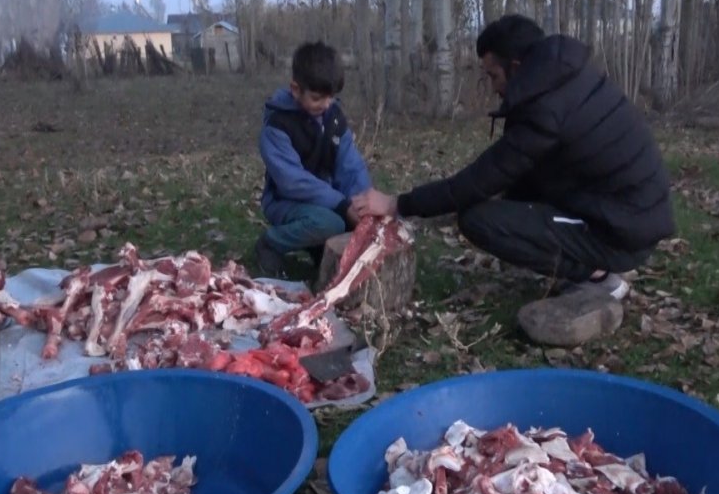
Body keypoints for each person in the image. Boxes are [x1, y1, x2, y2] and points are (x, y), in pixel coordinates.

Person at [353, 15, 675, 302]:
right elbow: (517, 176)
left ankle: (600, 276)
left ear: (516, 67)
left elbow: (482, 178)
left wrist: (396, 204)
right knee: (507, 199)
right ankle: (592, 262)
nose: (493, 87)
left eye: (493, 76)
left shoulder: (545, 109)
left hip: (623, 231)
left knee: (479, 221)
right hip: (631, 215)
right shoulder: (565, 82)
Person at [255, 41, 375, 279]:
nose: (326, 104)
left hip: (326, 200)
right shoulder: (277, 126)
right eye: (318, 98)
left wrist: (363, 204)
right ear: (295, 89)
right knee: (331, 223)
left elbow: (350, 165)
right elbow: (293, 182)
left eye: (331, 97)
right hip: (284, 201)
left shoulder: (333, 117)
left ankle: (320, 252)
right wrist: (342, 206)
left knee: (362, 223)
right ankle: (270, 243)